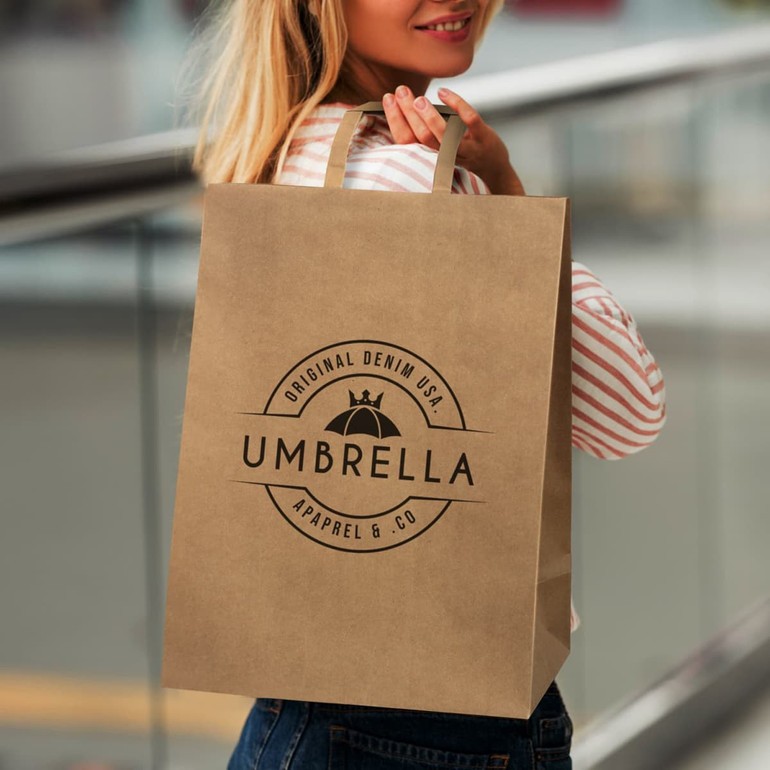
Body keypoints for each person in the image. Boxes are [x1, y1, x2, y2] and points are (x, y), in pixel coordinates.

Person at [184, 0, 667, 767]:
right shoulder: (413, 175)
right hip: (435, 723)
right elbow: (629, 413)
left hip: (293, 704)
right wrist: (507, 193)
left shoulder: (279, 153)